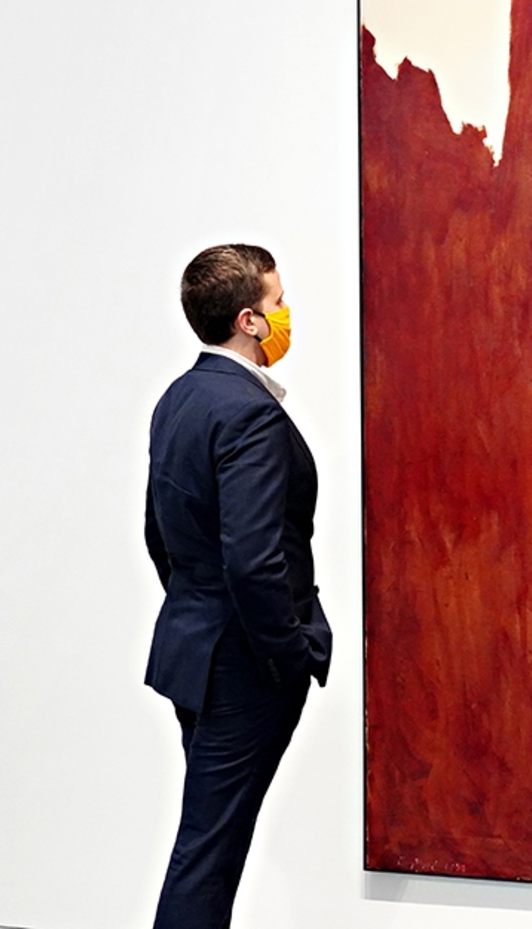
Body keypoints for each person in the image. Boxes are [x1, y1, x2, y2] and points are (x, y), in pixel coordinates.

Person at [143, 243, 331, 929]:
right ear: (249, 320)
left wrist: (198, 608)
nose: (287, 314)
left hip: (192, 649)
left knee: (207, 843)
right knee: (209, 853)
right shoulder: (248, 412)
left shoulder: (179, 399)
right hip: (243, 666)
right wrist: (286, 655)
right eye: (278, 303)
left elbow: (159, 532)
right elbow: (253, 559)